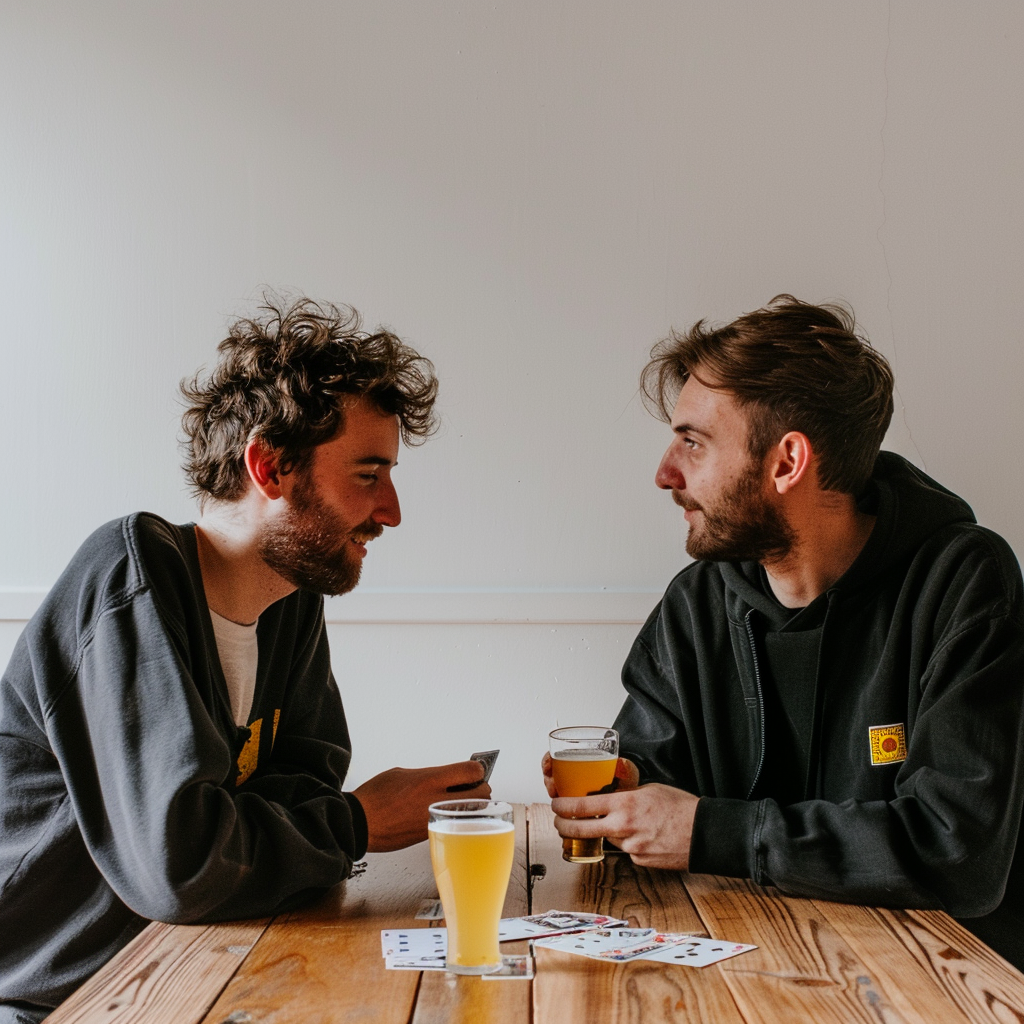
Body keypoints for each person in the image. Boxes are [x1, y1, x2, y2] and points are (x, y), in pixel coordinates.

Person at [0, 297, 489, 1023]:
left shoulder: (291, 599)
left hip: (197, 965)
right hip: (58, 998)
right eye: (367, 474)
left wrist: (285, 827)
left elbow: (303, 780)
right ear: (269, 466)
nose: (390, 510)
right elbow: (185, 867)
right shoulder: (130, 575)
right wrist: (356, 823)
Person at [545, 294, 1024, 970]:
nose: (665, 474)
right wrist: (622, 798)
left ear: (787, 462)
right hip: (763, 970)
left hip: (941, 983)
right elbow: (661, 784)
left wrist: (715, 831)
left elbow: (959, 852)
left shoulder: (961, 583)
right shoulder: (699, 602)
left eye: (693, 442)